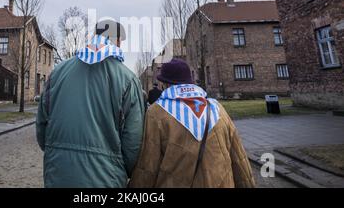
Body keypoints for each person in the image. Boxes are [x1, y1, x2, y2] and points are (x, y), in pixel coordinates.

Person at [36, 19, 145, 188]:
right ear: (116, 40)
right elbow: (133, 142)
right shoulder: (128, 80)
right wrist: (122, 169)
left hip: (58, 174)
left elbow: (42, 127)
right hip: (106, 178)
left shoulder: (58, 73)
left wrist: (56, 153)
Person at [129, 58, 255, 188]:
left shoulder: (156, 113)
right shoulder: (217, 109)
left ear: (165, 84)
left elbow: (148, 166)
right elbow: (239, 159)